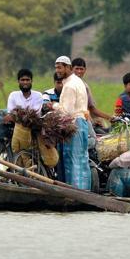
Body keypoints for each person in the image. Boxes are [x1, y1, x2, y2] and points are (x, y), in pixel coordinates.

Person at [54, 55, 91, 190]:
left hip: (73, 124)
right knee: (81, 160)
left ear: (68, 67)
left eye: (60, 67)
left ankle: (74, 193)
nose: (57, 70)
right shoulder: (77, 81)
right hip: (81, 124)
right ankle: (84, 191)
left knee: (71, 161)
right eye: (56, 67)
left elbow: (67, 112)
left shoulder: (69, 85)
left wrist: (53, 106)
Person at [71, 57, 113, 123]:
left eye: (81, 69)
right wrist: (109, 118)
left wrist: (109, 118)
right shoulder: (68, 85)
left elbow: (91, 108)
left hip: (86, 119)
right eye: (77, 69)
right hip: (77, 120)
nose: (79, 71)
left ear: (85, 70)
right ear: (71, 69)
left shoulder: (85, 86)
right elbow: (91, 109)